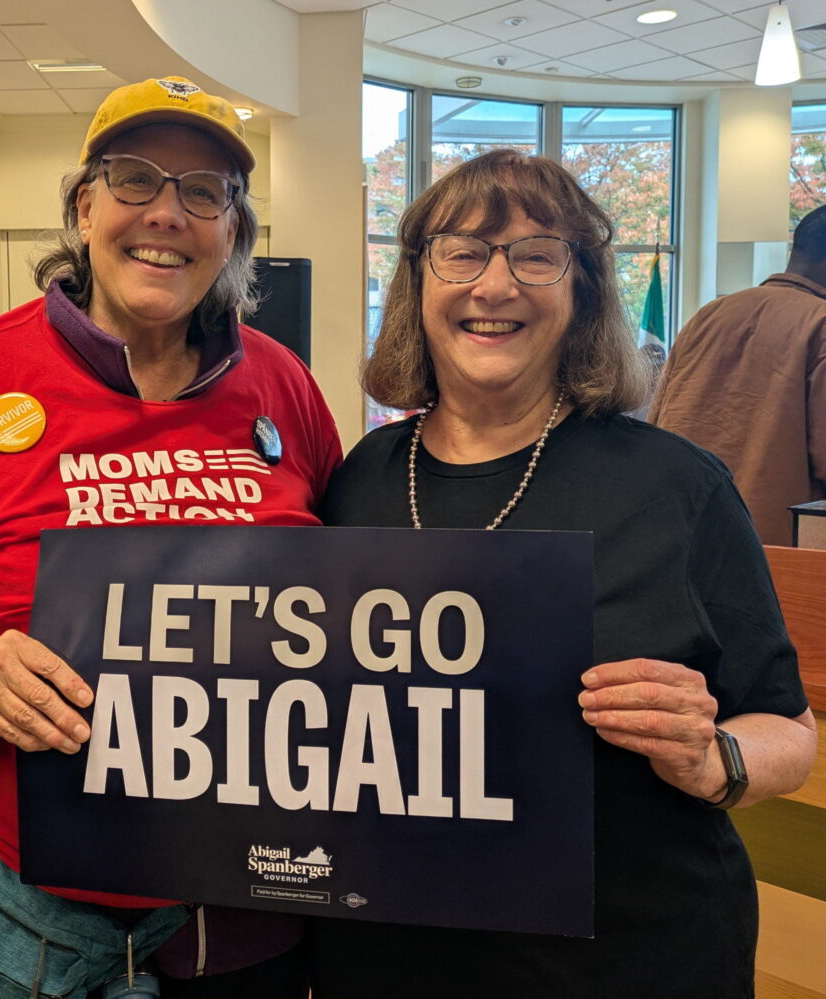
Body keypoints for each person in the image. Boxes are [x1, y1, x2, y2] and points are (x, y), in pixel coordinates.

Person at [0, 75, 341, 999]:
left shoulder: (284, 387)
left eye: (204, 191)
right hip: (18, 931)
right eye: (135, 179)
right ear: (85, 203)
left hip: (246, 934)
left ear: (234, 227)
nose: (167, 213)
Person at [307, 149, 816, 999]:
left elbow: (790, 730)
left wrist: (711, 754)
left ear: (582, 291)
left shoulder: (678, 487)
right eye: (462, 251)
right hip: (391, 957)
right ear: (417, 284)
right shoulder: (358, 477)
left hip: (626, 956)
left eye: (536, 254)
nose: (494, 285)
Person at [648, 204, 826, 546]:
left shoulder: (709, 315)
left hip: (676, 535)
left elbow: (658, 424)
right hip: (776, 555)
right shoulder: (820, 323)